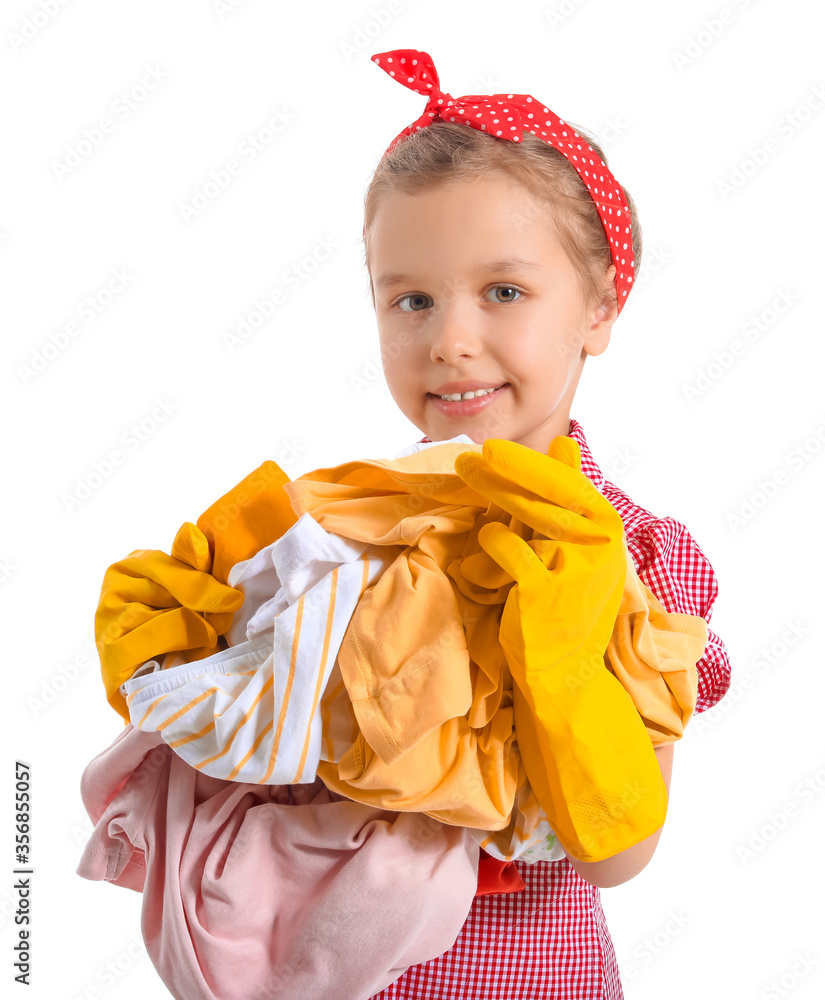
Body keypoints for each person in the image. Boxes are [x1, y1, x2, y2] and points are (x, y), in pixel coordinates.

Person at [82, 47, 731, 999]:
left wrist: (556, 665)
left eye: (503, 291)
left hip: (532, 980)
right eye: (411, 300)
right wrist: (181, 661)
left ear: (598, 305)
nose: (449, 340)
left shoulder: (638, 559)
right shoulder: (332, 535)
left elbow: (618, 857)